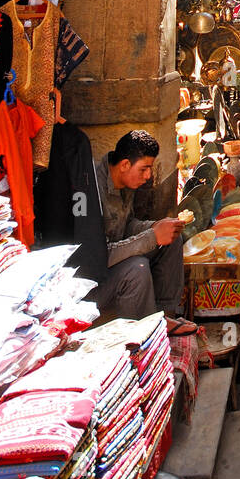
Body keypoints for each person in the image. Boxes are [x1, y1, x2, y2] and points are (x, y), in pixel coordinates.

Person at [93, 130, 195, 333]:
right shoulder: (94, 190)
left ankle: (165, 316)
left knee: (172, 239)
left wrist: (155, 227)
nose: (148, 176)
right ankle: (145, 333)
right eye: (144, 169)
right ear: (124, 165)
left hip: (114, 259)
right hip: (94, 279)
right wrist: (151, 236)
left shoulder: (125, 182)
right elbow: (98, 256)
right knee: (136, 268)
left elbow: (127, 224)